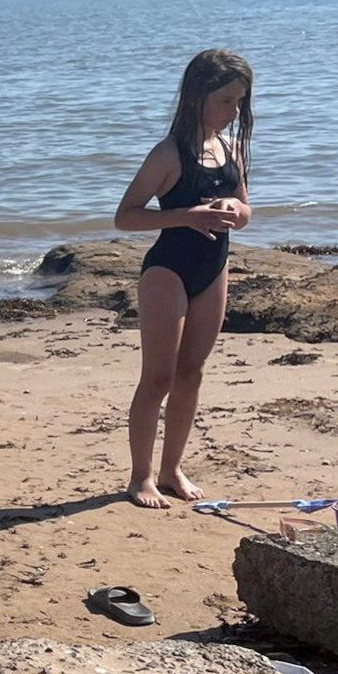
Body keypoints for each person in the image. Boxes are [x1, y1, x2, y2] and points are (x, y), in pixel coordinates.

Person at [113, 49, 254, 509]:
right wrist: (187, 215)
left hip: (213, 271)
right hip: (167, 271)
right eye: (226, 101)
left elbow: (247, 211)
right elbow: (125, 217)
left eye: (239, 102)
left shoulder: (229, 148)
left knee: (191, 373)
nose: (233, 112)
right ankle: (141, 476)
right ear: (196, 97)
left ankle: (173, 468)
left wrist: (235, 210)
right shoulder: (168, 153)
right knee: (158, 376)